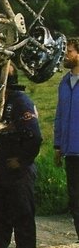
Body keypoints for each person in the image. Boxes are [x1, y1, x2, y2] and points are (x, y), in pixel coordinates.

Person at [0, 64, 42, 248]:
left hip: (20, 172)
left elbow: (35, 137)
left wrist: (21, 160)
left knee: (23, 218)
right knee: (1, 217)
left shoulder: (20, 102)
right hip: (4, 168)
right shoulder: (5, 103)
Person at [54, 37, 79, 242]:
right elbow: (60, 115)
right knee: (76, 201)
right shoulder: (63, 83)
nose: (66, 55)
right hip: (70, 152)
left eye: (69, 52)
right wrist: (57, 146)